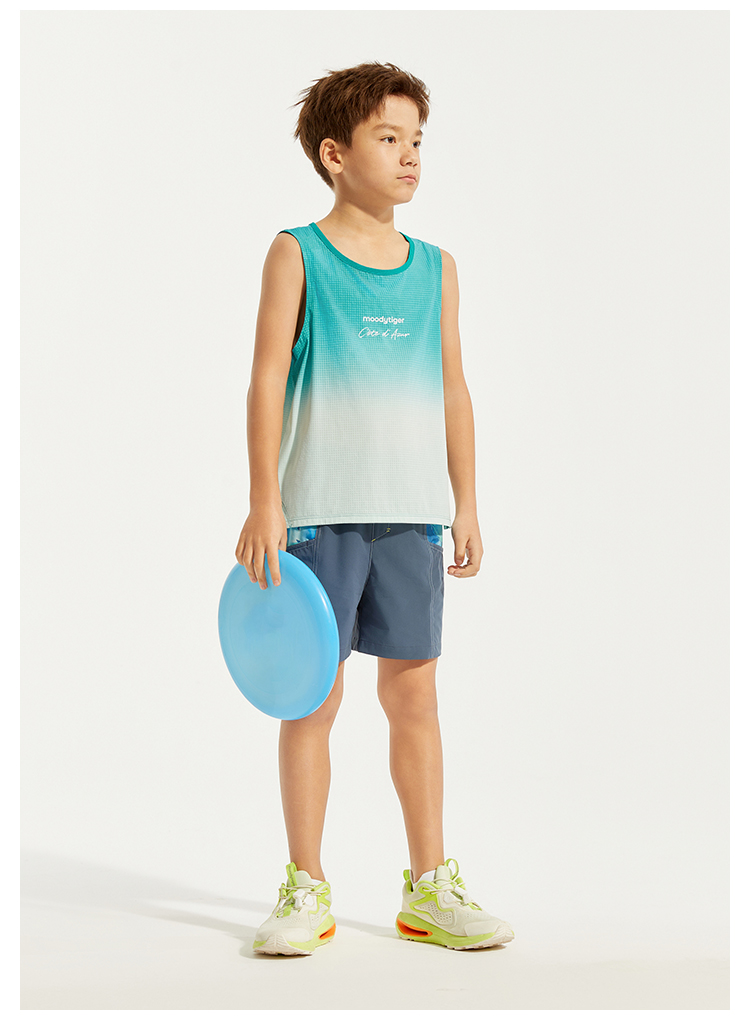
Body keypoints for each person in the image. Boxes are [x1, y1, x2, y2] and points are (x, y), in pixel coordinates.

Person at [235, 61, 515, 956]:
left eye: (416, 140)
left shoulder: (437, 269)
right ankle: (304, 885)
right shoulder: (297, 253)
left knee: (415, 695)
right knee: (312, 698)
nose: (409, 156)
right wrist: (264, 500)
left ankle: (430, 885)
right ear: (335, 153)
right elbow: (266, 380)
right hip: (317, 513)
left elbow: (454, 387)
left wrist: (466, 501)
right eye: (388, 138)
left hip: (410, 515)